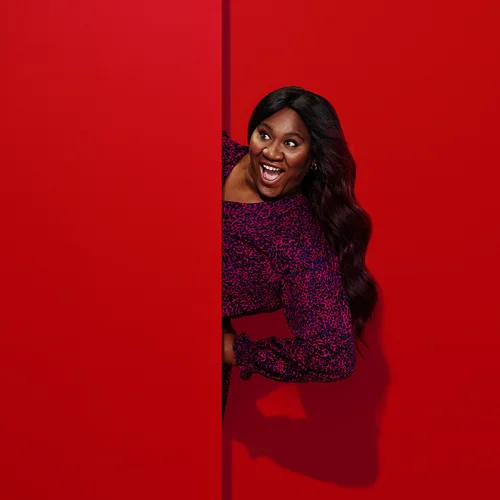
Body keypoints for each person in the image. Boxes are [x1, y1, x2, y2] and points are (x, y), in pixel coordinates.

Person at [222, 86, 378, 420]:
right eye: (264, 135)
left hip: (185, 371)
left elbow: (332, 356)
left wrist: (236, 351)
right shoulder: (216, 155)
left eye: (291, 143)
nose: (271, 152)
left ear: (314, 159)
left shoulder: (298, 242)